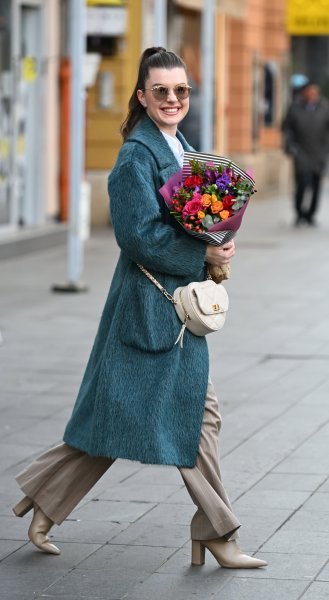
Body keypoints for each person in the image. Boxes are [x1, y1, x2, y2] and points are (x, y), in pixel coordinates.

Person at [12, 47, 267, 570]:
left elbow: (197, 216)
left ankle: (43, 502)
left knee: (125, 418)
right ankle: (217, 532)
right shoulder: (136, 157)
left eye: (181, 91)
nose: (173, 99)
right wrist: (203, 251)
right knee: (185, 416)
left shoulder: (180, 145)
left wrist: (220, 241)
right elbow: (138, 235)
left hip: (172, 310)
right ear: (142, 96)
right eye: (161, 91)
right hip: (149, 310)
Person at [282, 81, 329, 226]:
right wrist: (290, 146)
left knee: (316, 184)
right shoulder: (295, 108)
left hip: (319, 152)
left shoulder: (324, 107)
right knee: (301, 183)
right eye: (310, 92)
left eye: (315, 92)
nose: (312, 95)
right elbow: (286, 128)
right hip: (301, 151)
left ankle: (311, 214)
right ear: (304, 93)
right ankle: (299, 212)